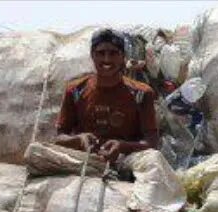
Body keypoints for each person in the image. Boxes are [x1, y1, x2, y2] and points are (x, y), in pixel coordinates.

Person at [54, 28, 161, 164]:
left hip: (126, 162)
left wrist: (122, 146)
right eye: (101, 53)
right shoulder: (75, 90)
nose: (106, 59)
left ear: (123, 56)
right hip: (83, 161)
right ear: (92, 55)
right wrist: (79, 139)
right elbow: (59, 138)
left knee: (153, 161)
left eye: (113, 53)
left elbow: (152, 143)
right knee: (35, 151)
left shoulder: (142, 93)